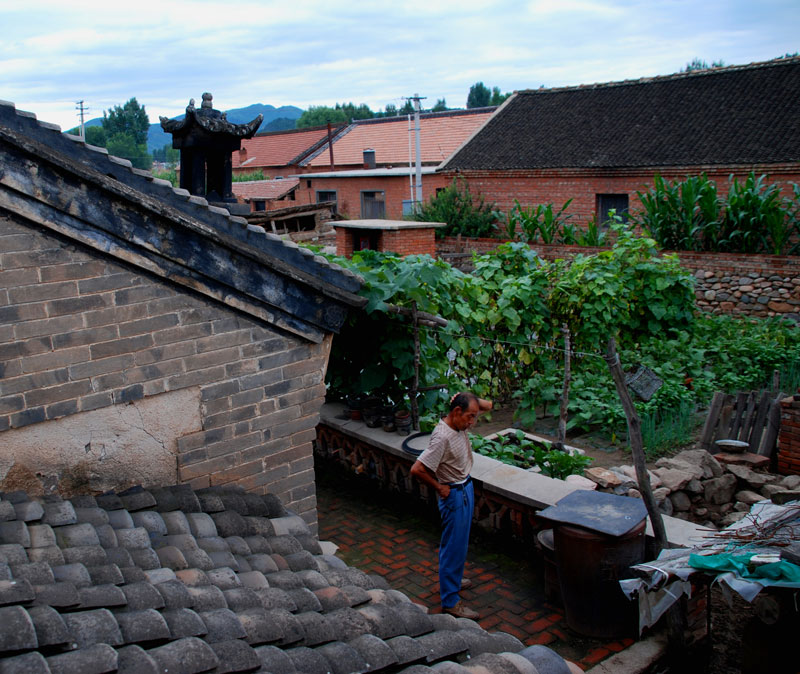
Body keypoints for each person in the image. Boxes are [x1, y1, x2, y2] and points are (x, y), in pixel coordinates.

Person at [409, 391, 492, 619]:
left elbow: (489, 404)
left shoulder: (459, 425)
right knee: (452, 547)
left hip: (464, 488)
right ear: (457, 413)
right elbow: (417, 469)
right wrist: (438, 487)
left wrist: (468, 397)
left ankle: (454, 579)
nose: (472, 423)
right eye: (470, 417)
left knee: (460, 543)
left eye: (474, 417)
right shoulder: (442, 437)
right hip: (453, 494)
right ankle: (450, 601)